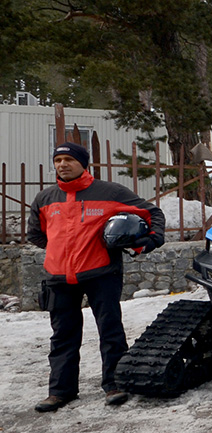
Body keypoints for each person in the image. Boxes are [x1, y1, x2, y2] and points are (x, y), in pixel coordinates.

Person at [27, 142, 165, 412]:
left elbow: (152, 213)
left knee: (110, 331)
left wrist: (151, 239)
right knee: (62, 336)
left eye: (69, 159)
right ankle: (60, 391)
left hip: (101, 273)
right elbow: (36, 234)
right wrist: (61, 250)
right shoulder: (45, 199)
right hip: (59, 277)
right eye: (58, 160)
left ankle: (115, 385)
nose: (63, 165)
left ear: (83, 163)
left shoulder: (109, 192)